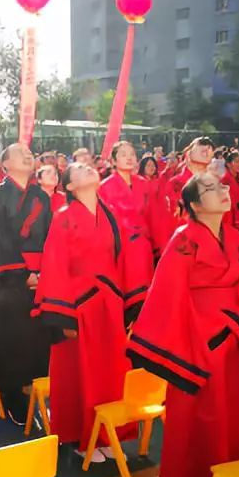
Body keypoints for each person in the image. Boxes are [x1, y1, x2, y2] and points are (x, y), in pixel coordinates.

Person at [126, 171, 239, 477]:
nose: (222, 191)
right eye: (210, 189)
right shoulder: (183, 238)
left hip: (235, 336)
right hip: (199, 341)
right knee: (200, 418)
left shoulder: (233, 235)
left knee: (238, 413)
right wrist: (194, 341)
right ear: (193, 204)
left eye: (222, 186)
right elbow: (168, 293)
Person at [35, 162, 148, 461]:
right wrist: (63, 314)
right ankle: (84, 438)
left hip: (109, 301)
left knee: (111, 370)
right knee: (81, 372)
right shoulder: (63, 216)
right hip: (79, 305)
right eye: (79, 169)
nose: (87, 169)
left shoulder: (109, 212)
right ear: (69, 186)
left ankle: (108, 433)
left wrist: (131, 299)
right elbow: (55, 262)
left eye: (89, 167)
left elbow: (125, 256)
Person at [0, 143, 53, 422]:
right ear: (5, 164)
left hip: (41, 278)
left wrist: (45, 272)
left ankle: (39, 396)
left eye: (29, 152)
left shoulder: (41, 197)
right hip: (9, 282)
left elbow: (50, 237)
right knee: (13, 342)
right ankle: (15, 399)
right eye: (19, 152)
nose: (27, 154)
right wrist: (24, 274)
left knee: (40, 341)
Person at [100, 141, 173, 265]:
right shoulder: (104, 187)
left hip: (143, 246)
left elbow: (154, 217)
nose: (129, 158)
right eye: (123, 155)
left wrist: (160, 246)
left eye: (132, 154)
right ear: (113, 161)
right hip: (118, 249)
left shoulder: (143, 184)